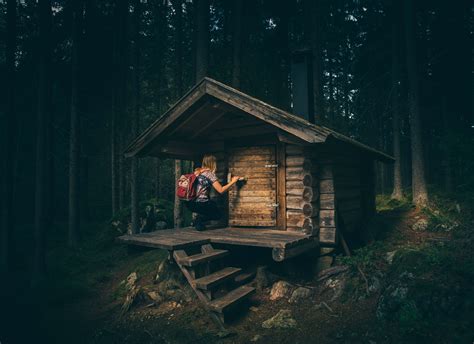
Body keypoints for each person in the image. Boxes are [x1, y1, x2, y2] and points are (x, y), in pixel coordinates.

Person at [186, 154, 240, 231]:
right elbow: (221, 190)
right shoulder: (209, 174)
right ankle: (199, 219)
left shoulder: (196, 172)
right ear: (213, 163)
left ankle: (199, 222)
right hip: (201, 204)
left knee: (211, 205)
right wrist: (233, 181)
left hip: (190, 204)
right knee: (218, 215)